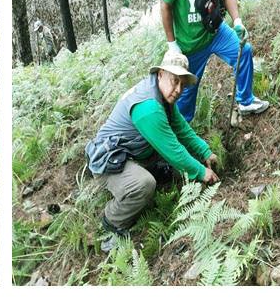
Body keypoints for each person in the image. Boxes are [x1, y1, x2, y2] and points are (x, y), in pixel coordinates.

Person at [84, 46, 217, 250]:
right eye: (175, 81)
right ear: (161, 74)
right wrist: (201, 172)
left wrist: (205, 151)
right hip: (109, 160)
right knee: (144, 184)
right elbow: (172, 150)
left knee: (170, 169)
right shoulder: (149, 107)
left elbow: (181, 129)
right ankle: (112, 222)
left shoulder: (161, 95)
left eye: (183, 84)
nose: (179, 90)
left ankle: (146, 178)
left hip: (132, 152)